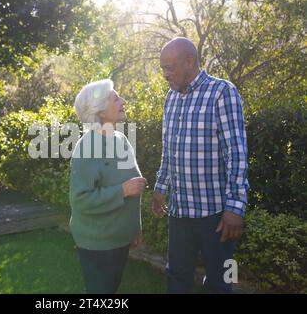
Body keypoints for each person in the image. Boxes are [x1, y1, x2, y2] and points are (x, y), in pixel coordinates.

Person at [151, 37, 249, 294]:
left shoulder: (222, 92)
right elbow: (169, 149)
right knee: (176, 276)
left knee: (219, 282)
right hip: (179, 211)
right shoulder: (171, 97)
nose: (165, 74)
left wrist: (236, 207)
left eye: (170, 67)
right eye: (163, 68)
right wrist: (160, 187)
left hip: (216, 214)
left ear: (190, 62)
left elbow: (236, 153)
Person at [70, 79, 147, 294]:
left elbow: (134, 185)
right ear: (100, 111)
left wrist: (134, 227)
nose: (122, 101)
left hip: (120, 237)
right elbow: (81, 199)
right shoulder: (86, 147)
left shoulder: (121, 139)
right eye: (115, 98)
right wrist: (122, 190)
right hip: (98, 241)